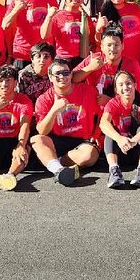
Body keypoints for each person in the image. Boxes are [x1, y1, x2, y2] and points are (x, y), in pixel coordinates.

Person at [31, 58, 101, 186]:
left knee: (89, 156)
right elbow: (42, 131)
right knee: (36, 140)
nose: (62, 76)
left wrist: (96, 135)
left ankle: (54, 164)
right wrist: (54, 110)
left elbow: (103, 114)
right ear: (50, 77)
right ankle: (60, 170)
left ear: (71, 75)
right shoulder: (44, 99)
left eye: (66, 73)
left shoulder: (87, 91)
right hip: (57, 139)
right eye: (57, 74)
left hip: (82, 141)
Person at [99, 69, 140, 189]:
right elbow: (103, 123)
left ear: (135, 86)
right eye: (121, 85)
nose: (125, 87)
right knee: (110, 131)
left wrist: (135, 139)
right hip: (120, 150)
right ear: (116, 90)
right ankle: (114, 170)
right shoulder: (113, 103)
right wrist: (119, 139)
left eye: (128, 83)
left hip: (137, 149)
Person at [2, 0, 60, 71]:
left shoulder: (51, 0)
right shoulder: (18, 1)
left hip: (45, 55)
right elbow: (5, 25)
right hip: (23, 54)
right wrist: (17, 9)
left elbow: (56, 28)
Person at [72, 25, 140, 104]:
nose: (112, 49)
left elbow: (137, 96)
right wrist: (90, 68)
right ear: (102, 47)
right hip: (94, 108)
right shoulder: (93, 59)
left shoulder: (132, 64)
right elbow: (72, 79)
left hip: (119, 110)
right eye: (109, 45)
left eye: (116, 45)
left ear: (122, 46)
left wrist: (110, 101)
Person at [40, 0, 93, 69]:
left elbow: (92, 41)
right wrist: (49, 16)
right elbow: (44, 35)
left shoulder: (85, 17)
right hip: (63, 59)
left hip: (81, 59)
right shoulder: (58, 16)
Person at [96, 0, 140, 67]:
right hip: (117, 62)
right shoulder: (104, 13)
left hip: (137, 59)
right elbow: (98, 43)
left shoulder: (134, 7)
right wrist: (98, 29)